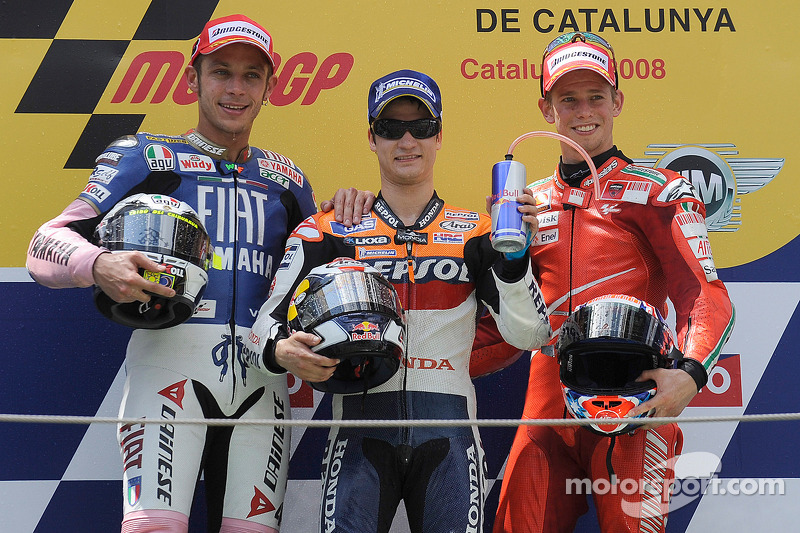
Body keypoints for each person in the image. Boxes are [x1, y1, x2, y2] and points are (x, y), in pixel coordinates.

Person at [26, 14, 372, 533]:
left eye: (251, 75)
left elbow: (314, 277)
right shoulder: (146, 156)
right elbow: (43, 243)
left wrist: (350, 208)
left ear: (270, 88)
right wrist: (97, 264)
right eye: (221, 72)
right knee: (154, 528)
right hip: (168, 378)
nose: (236, 89)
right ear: (193, 80)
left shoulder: (288, 180)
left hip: (263, 386)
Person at [244, 69, 552, 533]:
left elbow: (529, 334)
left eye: (421, 127)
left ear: (439, 135)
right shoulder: (328, 230)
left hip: (450, 437)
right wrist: (281, 352)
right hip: (357, 437)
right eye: (391, 128)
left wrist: (515, 259)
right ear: (372, 138)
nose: (407, 140)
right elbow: (262, 329)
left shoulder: (479, 233)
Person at [474, 32, 736, 532]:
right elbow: (502, 329)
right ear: (546, 107)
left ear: (617, 100)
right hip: (547, 402)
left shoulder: (658, 191)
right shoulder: (522, 202)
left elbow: (703, 295)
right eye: (567, 98)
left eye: (596, 95)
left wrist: (691, 373)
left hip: (634, 400)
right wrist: (509, 255)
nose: (583, 110)